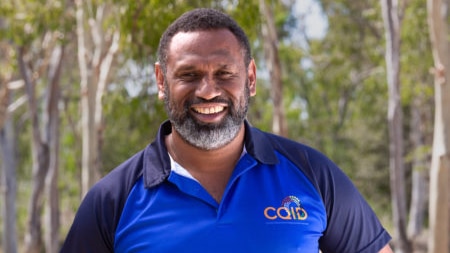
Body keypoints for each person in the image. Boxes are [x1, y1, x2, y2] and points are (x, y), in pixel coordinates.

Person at [60, 8, 393, 253]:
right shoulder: (111, 200)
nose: (207, 91)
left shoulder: (313, 174)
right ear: (162, 81)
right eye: (189, 75)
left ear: (250, 78)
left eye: (224, 73)